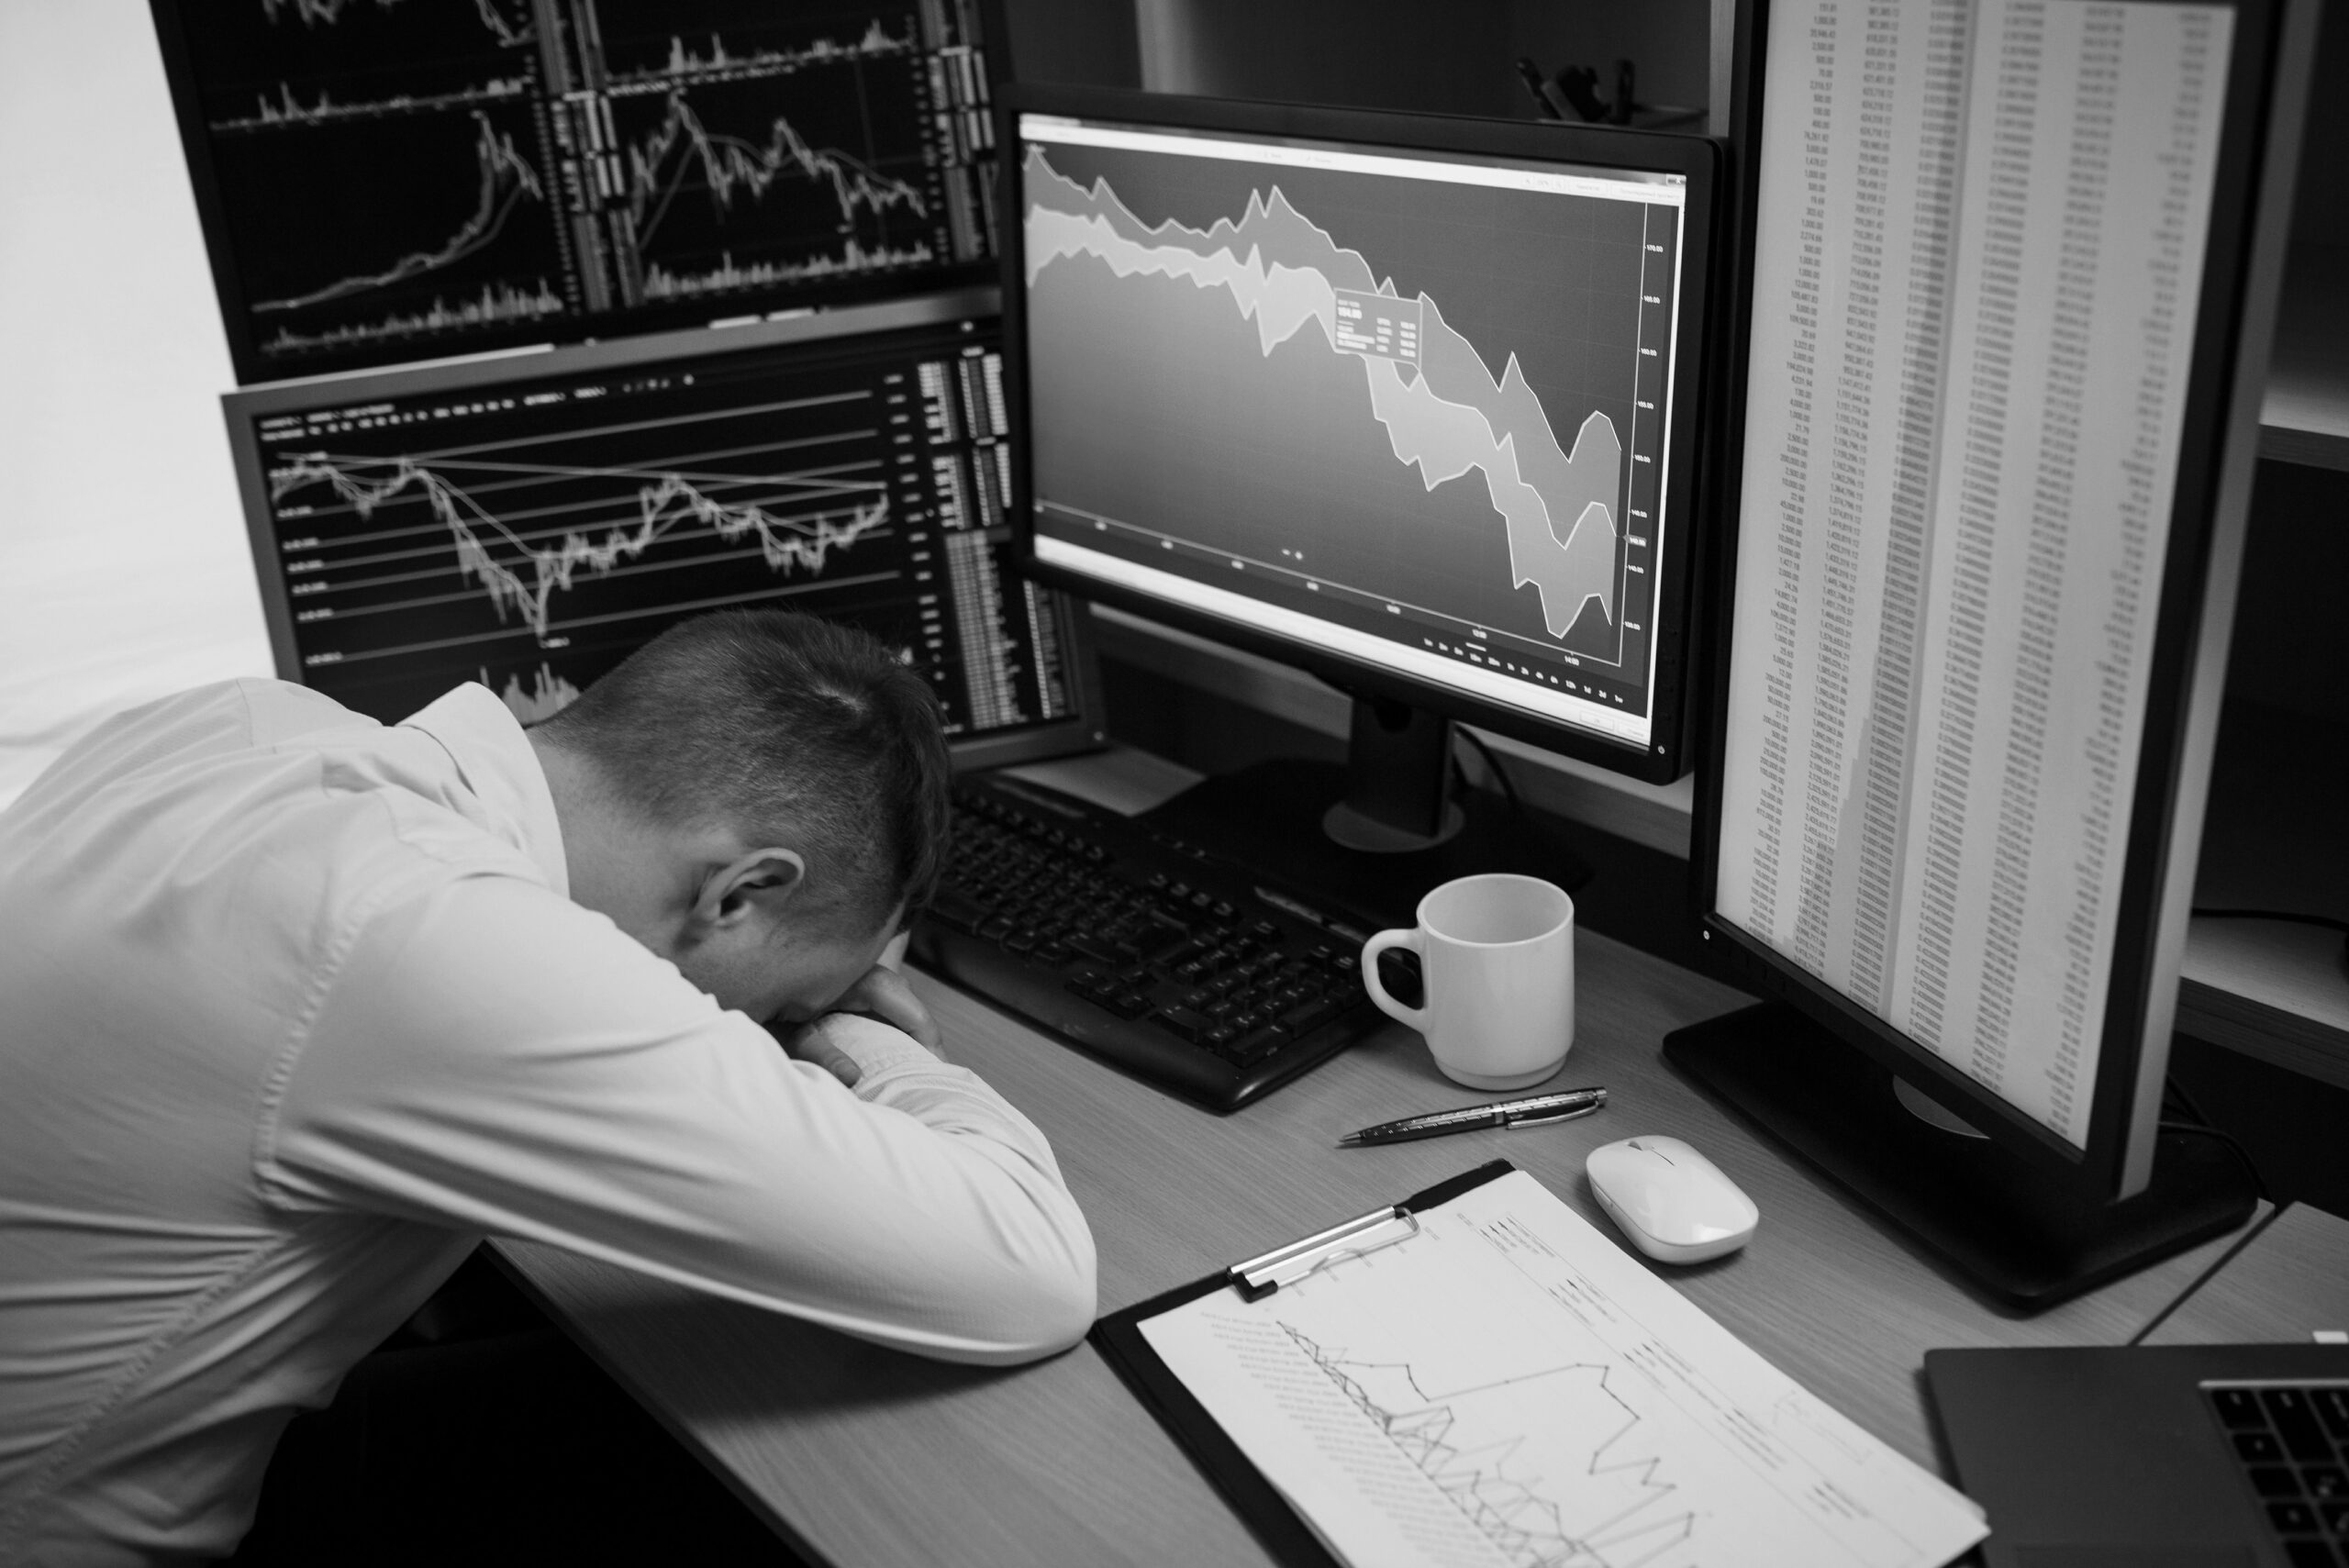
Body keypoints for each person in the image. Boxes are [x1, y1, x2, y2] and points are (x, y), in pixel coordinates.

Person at [0, 610, 1098, 1565]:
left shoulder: (242, 722)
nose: (770, 1032)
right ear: (741, 891)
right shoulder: (433, 932)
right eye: (787, 1002)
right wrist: (881, 1040)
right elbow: (1026, 1271)